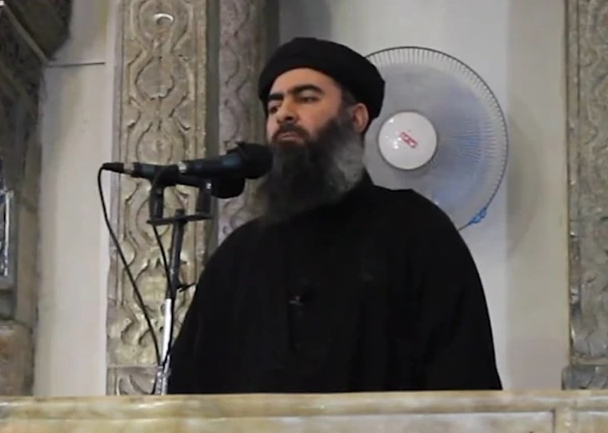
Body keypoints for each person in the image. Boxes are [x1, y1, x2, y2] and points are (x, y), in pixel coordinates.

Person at [165, 37, 502, 394]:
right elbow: (191, 393)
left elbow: (465, 384)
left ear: (355, 118)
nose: (284, 114)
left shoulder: (417, 232)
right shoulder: (239, 256)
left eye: (306, 98)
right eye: (274, 106)